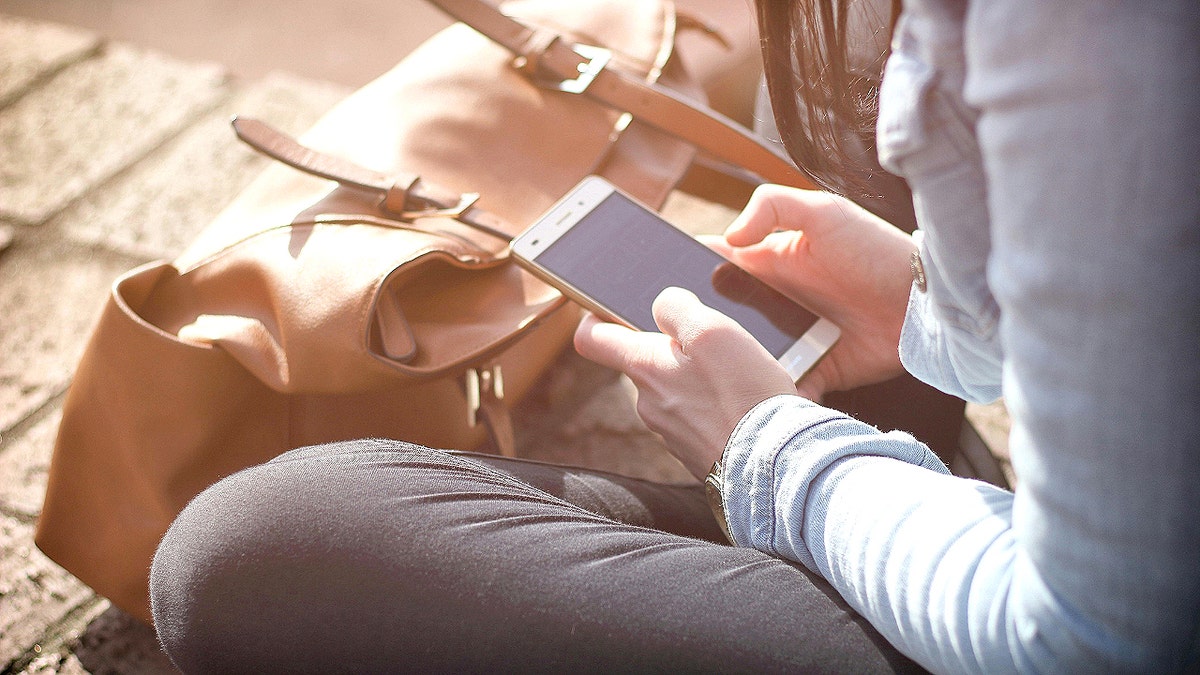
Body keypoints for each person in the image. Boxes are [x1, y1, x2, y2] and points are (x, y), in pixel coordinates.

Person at [149, 0, 1199, 672]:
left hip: (1076, 627)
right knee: (815, 111)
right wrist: (935, 317)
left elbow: (1098, 641)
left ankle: (882, 507)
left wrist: (772, 452)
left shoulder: (1084, 41)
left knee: (257, 553)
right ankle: (908, 499)